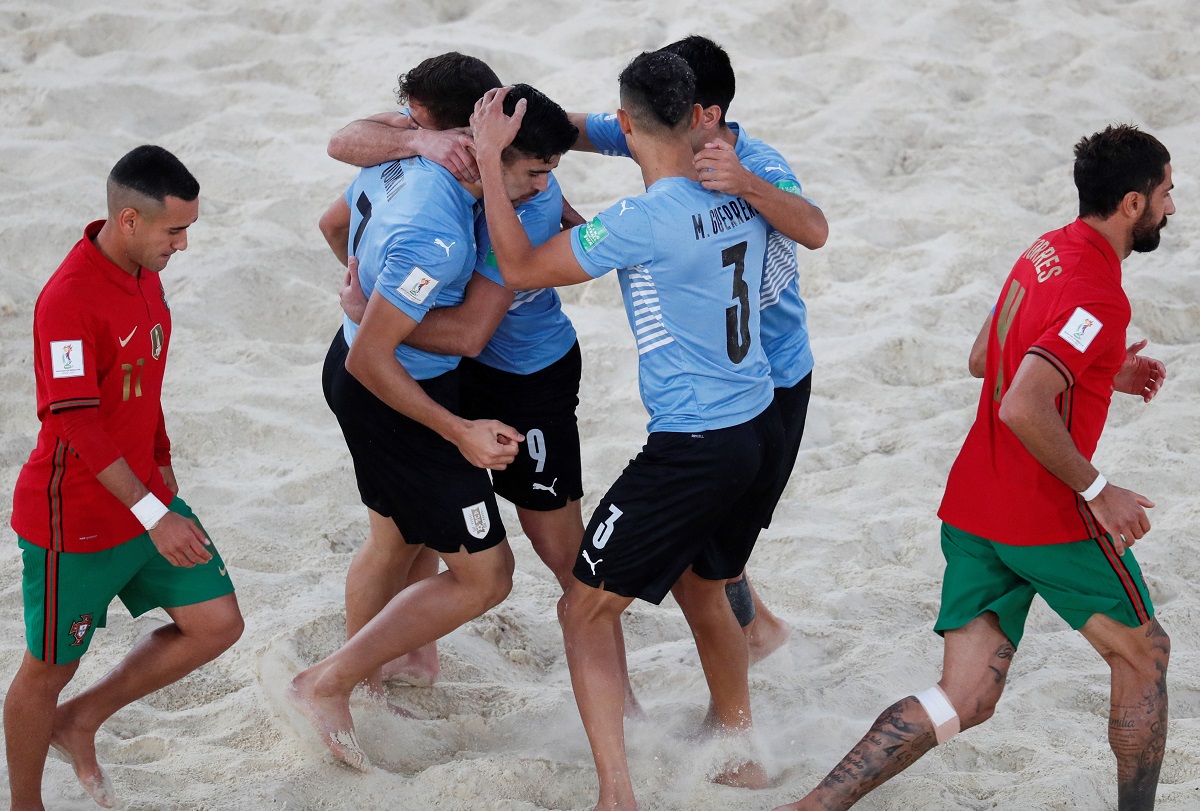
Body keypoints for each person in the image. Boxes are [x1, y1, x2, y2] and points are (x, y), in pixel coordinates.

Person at [775, 123, 1174, 811]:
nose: (1173, 207)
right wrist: (1099, 490)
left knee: (964, 698)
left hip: (973, 508)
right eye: (1167, 193)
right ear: (1133, 204)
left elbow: (984, 356)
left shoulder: (1045, 250)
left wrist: (1106, 366)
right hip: (1044, 516)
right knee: (1145, 655)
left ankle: (812, 806)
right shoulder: (1101, 295)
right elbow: (1024, 402)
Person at [473, 51, 781, 811]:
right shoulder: (735, 182)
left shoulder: (642, 220)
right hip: (756, 426)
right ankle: (742, 750)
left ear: (627, 121)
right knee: (703, 583)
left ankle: (617, 793)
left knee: (582, 605)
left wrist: (486, 158)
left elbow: (516, 264)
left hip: (692, 448)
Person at [289, 69, 579, 771]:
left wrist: (371, 297)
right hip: (390, 396)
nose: (545, 190)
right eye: (534, 173)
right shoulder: (439, 234)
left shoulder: (399, 155)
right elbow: (375, 360)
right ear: (484, 153)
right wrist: (459, 430)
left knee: (393, 540)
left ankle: (361, 682)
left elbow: (334, 223)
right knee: (487, 576)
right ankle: (325, 682)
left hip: (375, 370)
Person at [571, 35, 829, 664]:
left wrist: (744, 184)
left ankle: (754, 640)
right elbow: (580, 127)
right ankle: (756, 631)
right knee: (710, 548)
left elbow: (815, 228)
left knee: (712, 559)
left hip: (773, 380)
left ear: (705, 116)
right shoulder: (669, 128)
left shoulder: (758, 162)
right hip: (717, 376)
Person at [5, 145, 244, 811]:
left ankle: (80, 720)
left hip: (145, 497)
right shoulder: (69, 300)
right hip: (74, 520)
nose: (185, 244)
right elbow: (79, 425)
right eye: (176, 230)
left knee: (217, 622)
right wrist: (154, 513)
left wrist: (165, 474)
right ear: (130, 219)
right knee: (47, 669)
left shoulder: (144, 269)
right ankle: (26, 802)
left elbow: (144, 386)